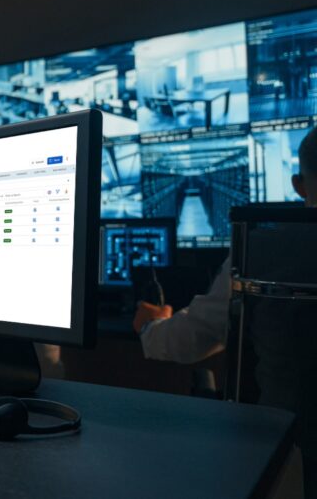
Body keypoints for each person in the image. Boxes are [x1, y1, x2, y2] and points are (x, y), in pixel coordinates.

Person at [132, 126, 317, 363]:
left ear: (297, 186)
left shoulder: (260, 250)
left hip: (281, 400)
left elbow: (193, 338)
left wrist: (150, 326)